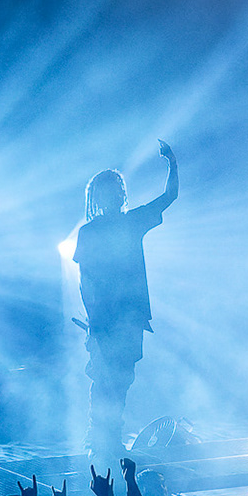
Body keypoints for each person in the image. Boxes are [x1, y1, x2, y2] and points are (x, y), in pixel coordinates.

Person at [73, 140, 178, 468]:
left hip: (128, 319)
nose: (117, 195)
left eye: (119, 189)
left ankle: (108, 440)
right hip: (106, 321)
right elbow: (84, 280)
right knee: (106, 380)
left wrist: (173, 164)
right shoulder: (89, 232)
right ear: (99, 197)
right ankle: (101, 441)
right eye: (111, 191)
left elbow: (169, 197)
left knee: (121, 379)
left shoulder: (132, 222)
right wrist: (93, 321)